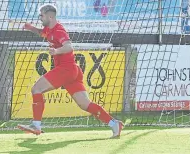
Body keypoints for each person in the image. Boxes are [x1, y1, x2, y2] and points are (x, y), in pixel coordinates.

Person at [17, 4, 124, 138]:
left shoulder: (59, 31)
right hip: (73, 71)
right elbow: (42, 33)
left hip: (65, 69)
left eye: (42, 15)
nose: (40, 18)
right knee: (85, 104)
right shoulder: (49, 29)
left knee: (36, 89)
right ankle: (114, 124)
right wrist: (30, 28)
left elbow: (68, 47)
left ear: (50, 16)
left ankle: (36, 126)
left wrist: (56, 51)